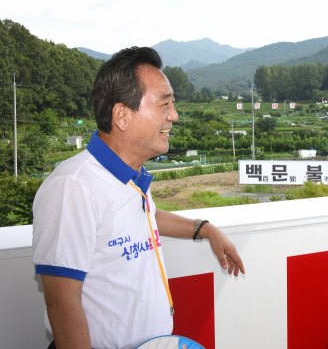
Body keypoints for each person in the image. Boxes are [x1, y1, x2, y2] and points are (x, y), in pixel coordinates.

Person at [32, 47, 245, 349]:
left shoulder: (131, 174)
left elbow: (144, 217)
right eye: (164, 104)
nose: (174, 115)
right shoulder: (73, 186)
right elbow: (62, 303)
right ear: (121, 115)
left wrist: (204, 229)